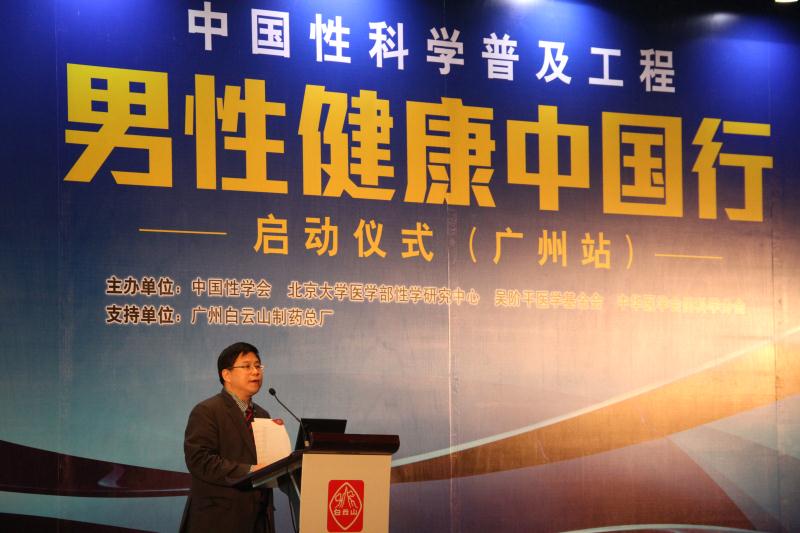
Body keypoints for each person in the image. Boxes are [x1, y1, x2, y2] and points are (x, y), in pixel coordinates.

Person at [180, 342, 275, 533]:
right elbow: (199, 460)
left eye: (258, 366)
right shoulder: (207, 411)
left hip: (257, 519)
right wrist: (249, 470)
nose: (255, 372)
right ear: (227, 375)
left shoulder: (263, 415)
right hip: (217, 519)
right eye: (246, 366)